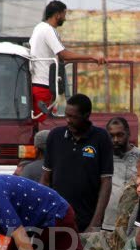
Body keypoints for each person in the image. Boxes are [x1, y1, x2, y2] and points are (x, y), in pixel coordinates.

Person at [42, 94, 113, 232]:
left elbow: (106, 182)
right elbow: (45, 179)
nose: (68, 120)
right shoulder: (55, 136)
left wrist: (95, 223)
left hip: (86, 220)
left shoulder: (101, 138)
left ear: (86, 115)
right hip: (56, 219)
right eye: (66, 115)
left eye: (73, 117)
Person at [28, 0, 104, 120]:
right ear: (57, 15)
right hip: (43, 84)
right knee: (41, 123)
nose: (65, 18)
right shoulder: (48, 30)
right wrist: (91, 57)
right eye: (64, 14)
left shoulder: (39, 27)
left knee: (38, 122)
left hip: (37, 83)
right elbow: (63, 55)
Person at [102, 117, 140, 234]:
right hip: (107, 224)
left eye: (120, 135)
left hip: (133, 225)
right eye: (111, 136)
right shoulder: (102, 158)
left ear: (128, 134)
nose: (116, 140)